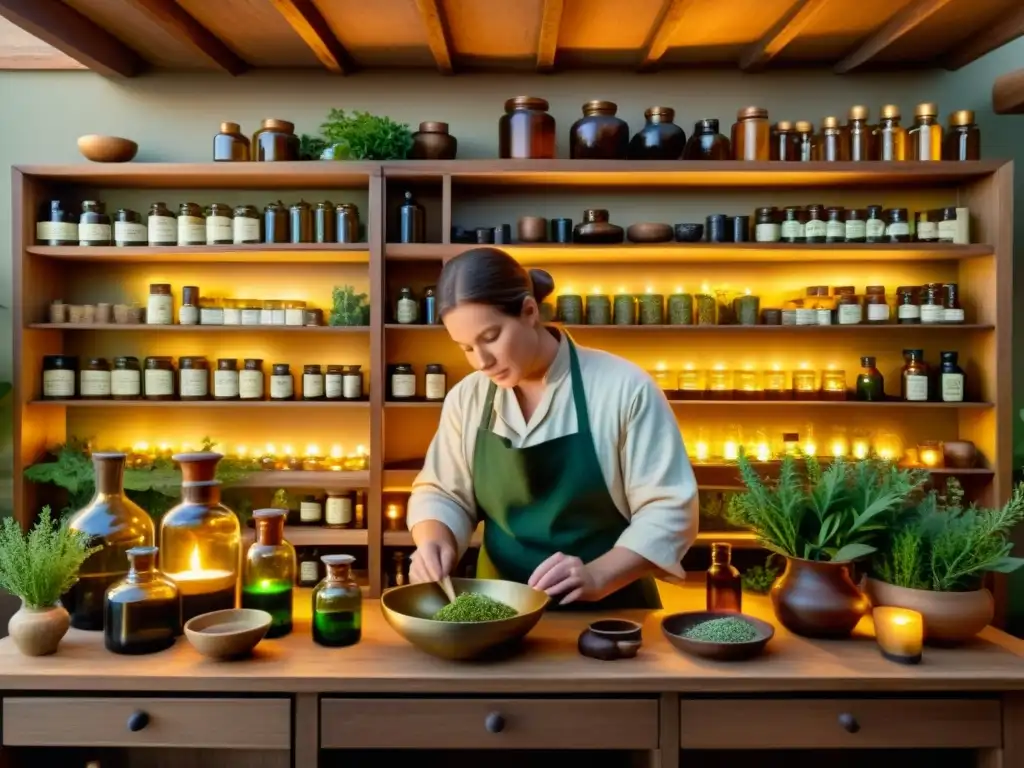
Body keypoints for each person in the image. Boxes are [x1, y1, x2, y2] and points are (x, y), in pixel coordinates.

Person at [406, 247, 699, 609]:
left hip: (613, 609)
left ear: (529, 311)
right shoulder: (466, 398)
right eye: (466, 347)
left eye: (491, 336)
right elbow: (443, 492)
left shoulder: (623, 387)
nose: (481, 362)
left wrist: (598, 575)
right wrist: (435, 539)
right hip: (500, 607)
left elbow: (669, 509)